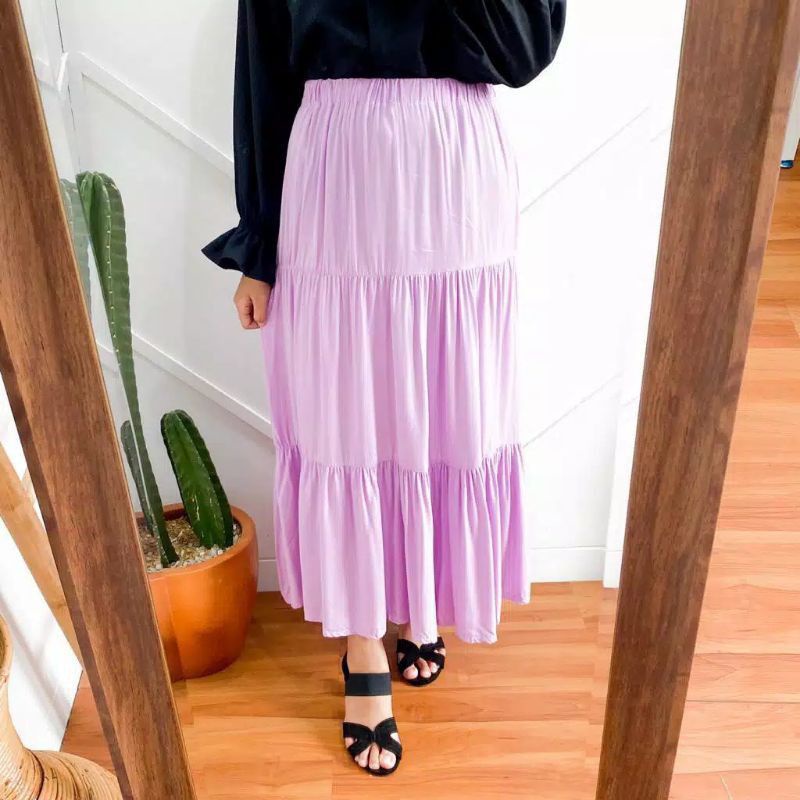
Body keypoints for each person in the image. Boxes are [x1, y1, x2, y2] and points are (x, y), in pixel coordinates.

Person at [203, 0, 566, 777]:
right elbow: (262, 75)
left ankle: (421, 601)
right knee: (349, 418)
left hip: (454, 173)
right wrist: (258, 251)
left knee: (443, 411)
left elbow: (527, 49)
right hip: (335, 174)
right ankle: (364, 641)